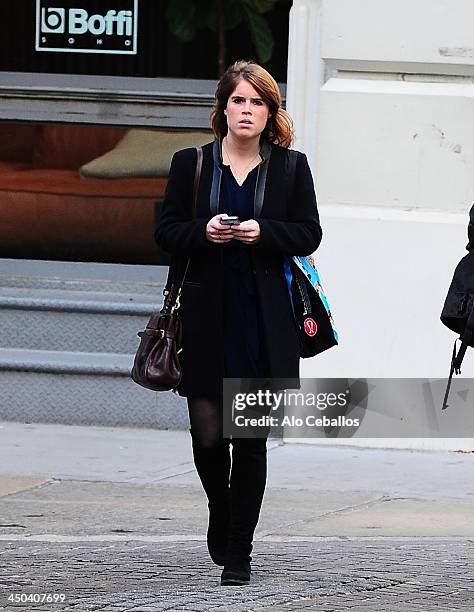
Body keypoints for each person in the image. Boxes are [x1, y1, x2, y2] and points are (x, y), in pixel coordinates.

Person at [154, 59, 322, 586]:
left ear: (270, 112)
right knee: (207, 437)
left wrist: (262, 232)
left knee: (248, 441)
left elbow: (308, 234)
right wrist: (205, 231)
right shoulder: (192, 164)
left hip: (263, 320)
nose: (245, 111)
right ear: (222, 107)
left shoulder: (291, 168)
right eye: (237, 100)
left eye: (256, 102)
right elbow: (165, 232)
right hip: (204, 317)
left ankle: (239, 552)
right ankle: (220, 513)